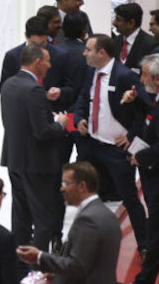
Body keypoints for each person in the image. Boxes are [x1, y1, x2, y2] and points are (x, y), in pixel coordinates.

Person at [74, 33, 148, 254]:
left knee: (129, 199)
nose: (84, 53)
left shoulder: (125, 76)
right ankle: (82, 244)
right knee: (83, 195)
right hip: (91, 146)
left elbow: (143, 110)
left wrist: (132, 136)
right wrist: (79, 119)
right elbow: (81, 100)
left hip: (116, 150)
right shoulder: (90, 72)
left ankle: (144, 246)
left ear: (102, 53)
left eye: (88, 49)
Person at [0, 43, 69, 254]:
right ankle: (37, 266)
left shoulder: (9, 84)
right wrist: (61, 124)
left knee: (20, 217)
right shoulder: (34, 90)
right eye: (47, 61)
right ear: (37, 62)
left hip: (15, 159)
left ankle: (20, 267)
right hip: (37, 163)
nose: (49, 65)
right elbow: (43, 132)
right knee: (43, 219)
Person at [16, 162, 122, 284]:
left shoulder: (88, 220)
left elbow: (77, 266)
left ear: (82, 186)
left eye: (66, 184)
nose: (62, 189)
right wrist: (59, 276)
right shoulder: (105, 213)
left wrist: (39, 256)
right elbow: (89, 262)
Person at [0, 16, 79, 112]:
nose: (38, 49)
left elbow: (72, 89)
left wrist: (60, 92)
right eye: (34, 43)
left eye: (43, 43)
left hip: (52, 113)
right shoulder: (13, 56)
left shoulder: (61, 56)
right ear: (26, 35)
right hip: (23, 113)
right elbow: (4, 89)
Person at [128, 54, 159, 284]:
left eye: (144, 75)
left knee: (155, 233)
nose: (140, 79)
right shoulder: (153, 99)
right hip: (151, 176)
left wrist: (141, 155)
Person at [113, 2, 156, 73]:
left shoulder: (151, 45)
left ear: (131, 23)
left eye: (118, 19)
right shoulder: (116, 41)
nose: (114, 23)